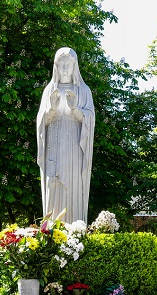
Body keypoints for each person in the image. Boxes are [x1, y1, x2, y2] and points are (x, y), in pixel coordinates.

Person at [37, 47, 95, 224]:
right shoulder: (49, 91)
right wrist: (52, 109)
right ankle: (51, 231)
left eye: (68, 64)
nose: (64, 68)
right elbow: (41, 122)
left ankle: (75, 229)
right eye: (60, 64)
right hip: (53, 147)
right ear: (55, 67)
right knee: (52, 185)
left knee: (73, 188)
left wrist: (75, 108)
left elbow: (90, 120)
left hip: (74, 149)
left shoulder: (84, 91)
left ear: (75, 66)